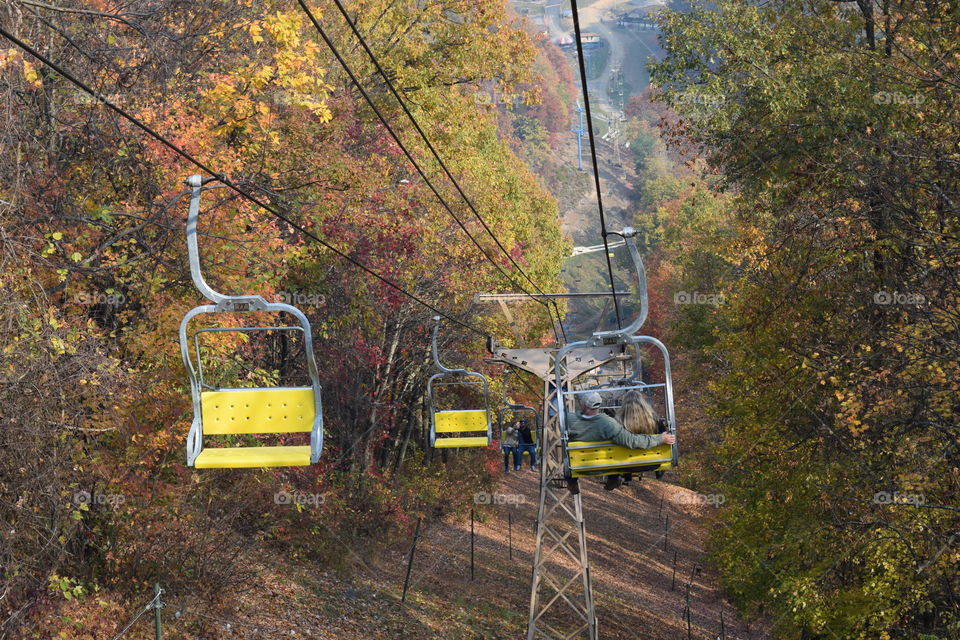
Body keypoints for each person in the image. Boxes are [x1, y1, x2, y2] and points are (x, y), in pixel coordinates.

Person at [568, 392, 675, 491]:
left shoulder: (568, 420)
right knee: (618, 447)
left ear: (583, 405)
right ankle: (613, 478)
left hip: (579, 467)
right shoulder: (607, 423)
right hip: (648, 462)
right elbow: (631, 441)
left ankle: (571, 481)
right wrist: (660, 438)